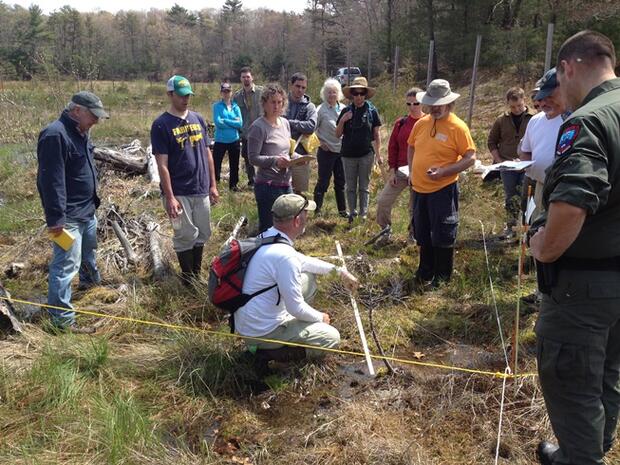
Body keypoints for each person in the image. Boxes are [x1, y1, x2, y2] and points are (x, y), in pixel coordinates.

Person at [528, 30, 620, 465]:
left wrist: (541, 246)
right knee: (607, 374)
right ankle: (587, 451)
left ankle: (582, 458)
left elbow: (570, 205)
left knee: (573, 382)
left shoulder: (588, 121)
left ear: (568, 67)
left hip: (582, 288)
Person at [234, 193, 358, 368]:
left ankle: (270, 342)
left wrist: (340, 272)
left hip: (249, 325)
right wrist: (320, 317)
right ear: (297, 221)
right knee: (331, 337)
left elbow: (305, 262)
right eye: (306, 214)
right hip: (263, 332)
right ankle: (269, 355)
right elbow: (296, 307)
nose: (308, 218)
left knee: (308, 277)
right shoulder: (284, 257)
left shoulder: (266, 237)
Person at [36, 91, 109, 332]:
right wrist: (55, 219)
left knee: (89, 254)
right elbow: (50, 181)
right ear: (76, 110)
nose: (96, 121)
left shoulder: (81, 132)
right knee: (65, 266)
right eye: (93, 116)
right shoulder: (55, 135)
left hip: (87, 211)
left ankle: (90, 287)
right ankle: (62, 321)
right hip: (67, 219)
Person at [407, 79, 476, 287]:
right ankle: (425, 271)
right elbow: (411, 147)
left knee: (443, 233)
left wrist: (445, 171)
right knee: (422, 231)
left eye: (440, 104)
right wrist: (411, 171)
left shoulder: (458, 127)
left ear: (449, 103)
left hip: (443, 189)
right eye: (432, 104)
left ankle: (442, 277)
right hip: (419, 189)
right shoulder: (421, 123)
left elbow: (470, 157)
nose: (435, 108)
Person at [151, 75, 219, 285]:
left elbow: (208, 154)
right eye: (181, 95)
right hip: (179, 191)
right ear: (170, 95)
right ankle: (188, 279)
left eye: (188, 95)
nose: (185, 99)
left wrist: (213, 185)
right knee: (184, 234)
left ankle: (196, 274)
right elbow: (162, 163)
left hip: (200, 188)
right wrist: (170, 197)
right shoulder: (161, 125)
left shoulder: (198, 119)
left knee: (203, 232)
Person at [376, 87, 424, 239]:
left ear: (422, 103)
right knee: (383, 201)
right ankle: (385, 231)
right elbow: (393, 147)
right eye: (408, 104)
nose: (412, 107)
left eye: (415, 103)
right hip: (401, 171)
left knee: (415, 206)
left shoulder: (428, 123)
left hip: (421, 172)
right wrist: (392, 171)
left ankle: (413, 234)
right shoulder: (400, 123)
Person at [519, 68, 566, 218]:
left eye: (549, 97)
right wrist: (525, 165)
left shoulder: (573, 120)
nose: (543, 103)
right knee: (537, 227)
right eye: (540, 98)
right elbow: (525, 151)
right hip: (539, 186)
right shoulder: (535, 121)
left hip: (564, 191)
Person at [487, 87, 535, 233]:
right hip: (507, 166)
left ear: (524, 101)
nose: (516, 109)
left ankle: (528, 228)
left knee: (528, 197)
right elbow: (491, 142)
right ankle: (511, 227)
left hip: (528, 165)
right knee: (510, 197)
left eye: (519, 105)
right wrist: (500, 161)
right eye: (512, 107)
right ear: (508, 104)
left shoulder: (535, 118)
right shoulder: (501, 120)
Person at [247, 83, 293, 232]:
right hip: (267, 186)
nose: (276, 106)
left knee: (288, 226)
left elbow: (287, 150)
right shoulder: (258, 127)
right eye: (273, 102)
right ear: (264, 103)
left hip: (286, 183)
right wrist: (275, 160)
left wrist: (299, 158)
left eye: (280, 102)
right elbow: (253, 158)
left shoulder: (285, 123)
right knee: (269, 229)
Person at [336, 76, 383, 221]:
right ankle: (352, 212)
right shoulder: (346, 111)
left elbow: (376, 134)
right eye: (355, 94)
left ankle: (363, 214)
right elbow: (337, 134)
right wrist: (343, 120)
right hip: (348, 155)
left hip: (366, 155)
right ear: (351, 95)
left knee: (364, 186)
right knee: (350, 187)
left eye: (361, 93)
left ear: (365, 95)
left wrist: (378, 155)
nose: (358, 97)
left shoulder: (372, 111)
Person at [312, 78, 347, 217]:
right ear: (324, 94)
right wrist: (321, 143)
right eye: (329, 92)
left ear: (338, 93)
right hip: (326, 151)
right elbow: (312, 130)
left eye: (334, 92)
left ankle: (342, 211)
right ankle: (317, 210)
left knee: (341, 182)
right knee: (323, 181)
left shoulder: (344, 109)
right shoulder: (319, 110)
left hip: (341, 152)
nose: (332, 95)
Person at [285, 72, 317, 195]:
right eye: (297, 86)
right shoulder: (281, 102)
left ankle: (297, 214)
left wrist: (289, 123)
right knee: (281, 188)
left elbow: (311, 126)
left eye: (303, 87)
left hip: (301, 154)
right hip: (281, 152)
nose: (300, 90)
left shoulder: (310, 107)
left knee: (298, 190)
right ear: (291, 85)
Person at [233, 67, 263, 187]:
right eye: (243, 77)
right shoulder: (237, 96)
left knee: (263, 155)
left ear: (252, 77)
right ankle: (252, 181)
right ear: (241, 79)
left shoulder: (261, 92)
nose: (246, 79)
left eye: (248, 76)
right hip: (245, 131)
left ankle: (264, 179)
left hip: (261, 130)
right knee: (247, 157)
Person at [212, 82, 243, 191]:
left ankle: (233, 186)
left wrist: (225, 120)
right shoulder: (216, 106)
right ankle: (215, 185)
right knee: (216, 164)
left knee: (234, 165)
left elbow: (240, 124)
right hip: (220, 140)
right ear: (221, 92)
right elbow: (218, 122)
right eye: (224, 91)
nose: (226, 93)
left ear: (231, 92)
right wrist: (232, 122)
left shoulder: (236, 107)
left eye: (228, 91)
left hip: (234, 140)